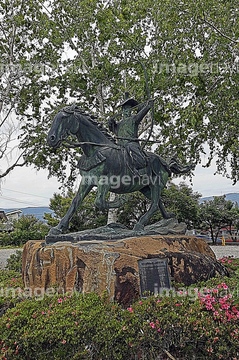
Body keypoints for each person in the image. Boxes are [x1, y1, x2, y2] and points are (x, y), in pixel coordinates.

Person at [108, 93, 154, 173]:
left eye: (129, 109)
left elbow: (142, 113)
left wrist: (148, 106)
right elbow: (113, 130)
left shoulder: (134, 119)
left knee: (135, 154)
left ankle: (138, 171)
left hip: (131, 144)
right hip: (120, 146)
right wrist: (110, 123)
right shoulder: (118, 124)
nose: (127, 111)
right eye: (125, 109)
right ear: (122, 111)